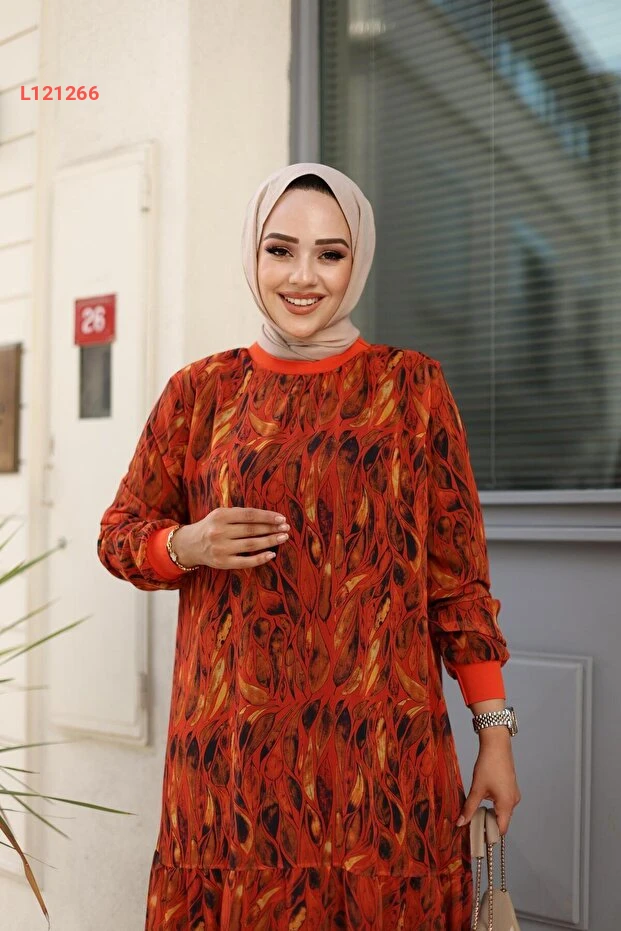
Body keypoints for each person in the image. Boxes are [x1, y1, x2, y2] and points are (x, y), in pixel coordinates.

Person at [98, 162, 521, 931]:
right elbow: (120, 534)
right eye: (279, 249)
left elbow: (456, 579)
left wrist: (493, 733)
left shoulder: (412, 388)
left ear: (357, 260)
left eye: (330, 253)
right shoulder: (200, 392)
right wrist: (185, 543)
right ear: (252, 255)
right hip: (233, 764)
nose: (302, 276)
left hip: (382, 761)